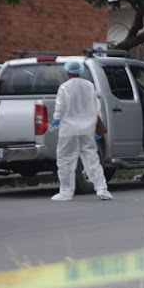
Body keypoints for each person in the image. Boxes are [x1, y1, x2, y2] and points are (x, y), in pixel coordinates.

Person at [50, 61, 112, 201]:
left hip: (69, 129)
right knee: (92, 158)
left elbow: (60, 107)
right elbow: (97, 107)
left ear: (67, 72)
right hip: (87, 128)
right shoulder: (89, 86)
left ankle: (66, 191)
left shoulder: (64, 87)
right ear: (80, 71)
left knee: (65, 159)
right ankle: (102, 189)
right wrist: (97, 126)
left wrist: (56, 118)